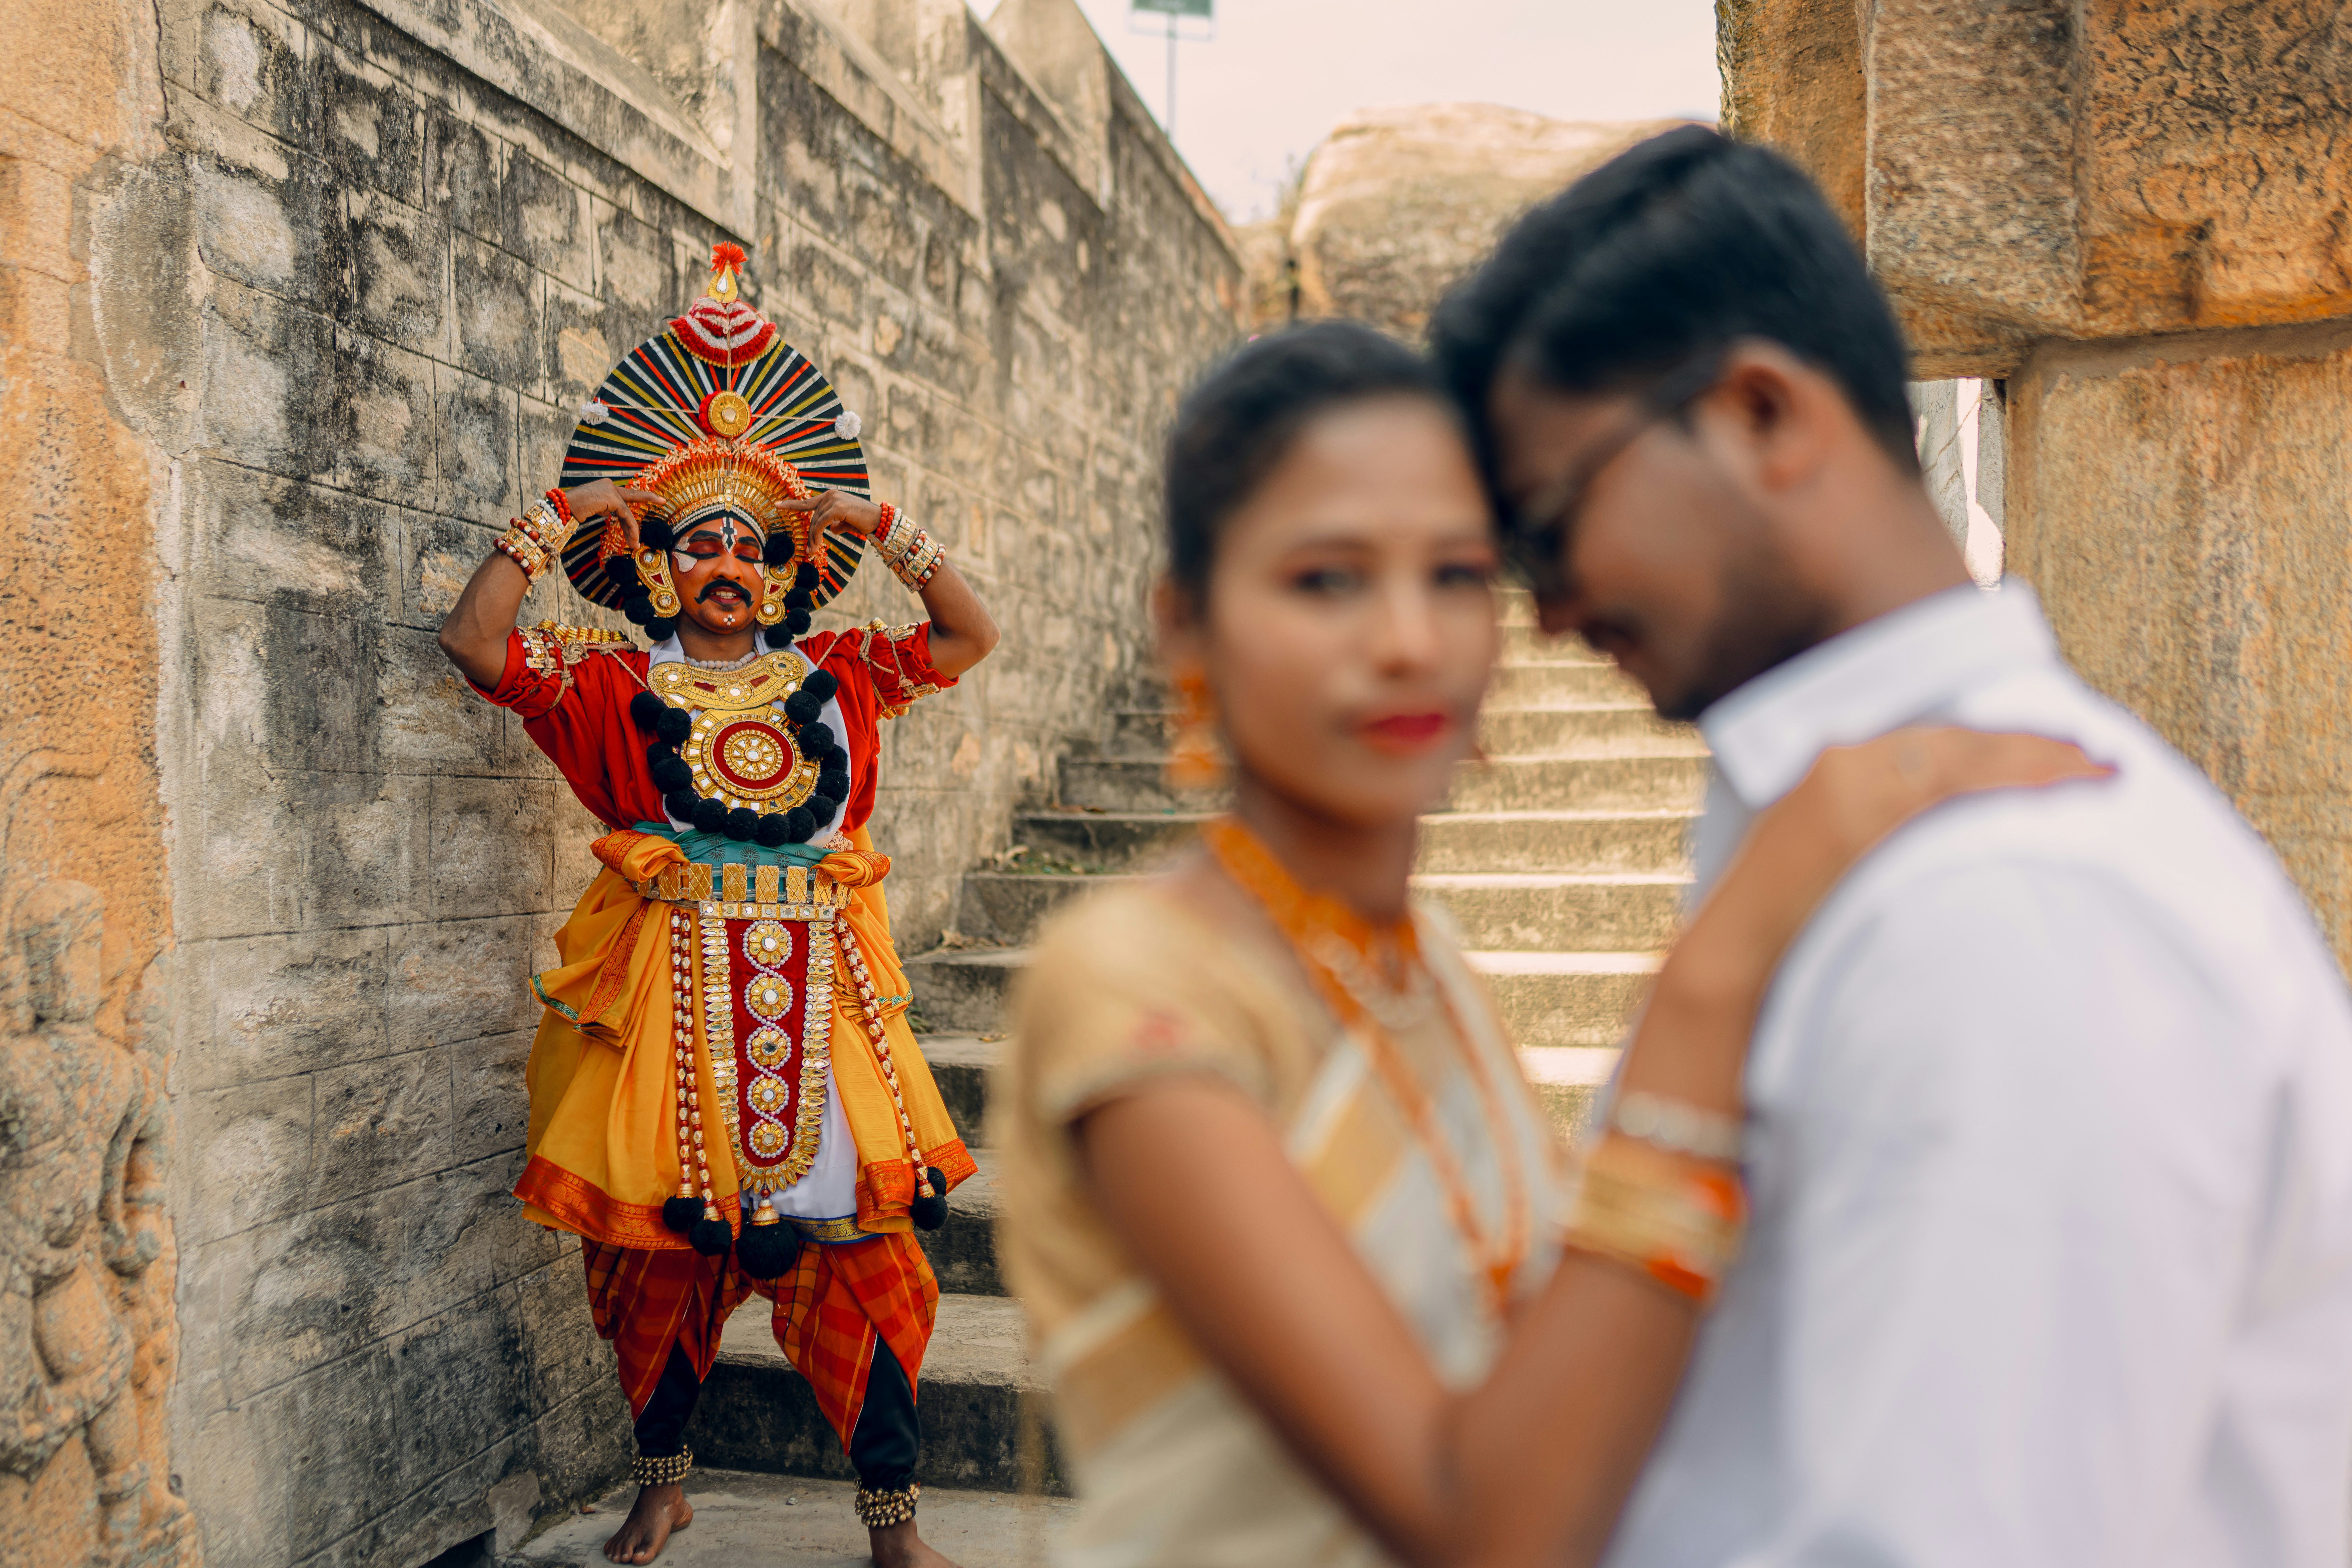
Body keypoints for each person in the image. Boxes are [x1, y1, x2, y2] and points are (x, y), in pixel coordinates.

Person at [991, 321, 2105, 1567]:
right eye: (1326, 579)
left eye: (1459, 575)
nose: (1409, 638)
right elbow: (1479, 1524)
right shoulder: (1137, 987)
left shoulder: (1420, 961)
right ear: (1186, 628)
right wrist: (1718, 975)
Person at [1427, 124, 2352, 1566]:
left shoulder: (2006, 903)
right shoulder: (1868, 845)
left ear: (1762, 417)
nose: (1544, 616)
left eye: (1550, 531)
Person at [438, 245, 998, 1568]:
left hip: (829, 991)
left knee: (867, 1255)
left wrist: (880, 529)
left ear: (782, 564)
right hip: (667, 996)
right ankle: (664, 1485)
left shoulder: (848, 674)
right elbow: (474, 644)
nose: (729, 562)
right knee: (656, 1266)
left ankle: (895, 1524)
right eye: (701, 543)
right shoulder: (611, 688)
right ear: (665, 566)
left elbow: (972, 636)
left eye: (751, 542)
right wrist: (571, 508)